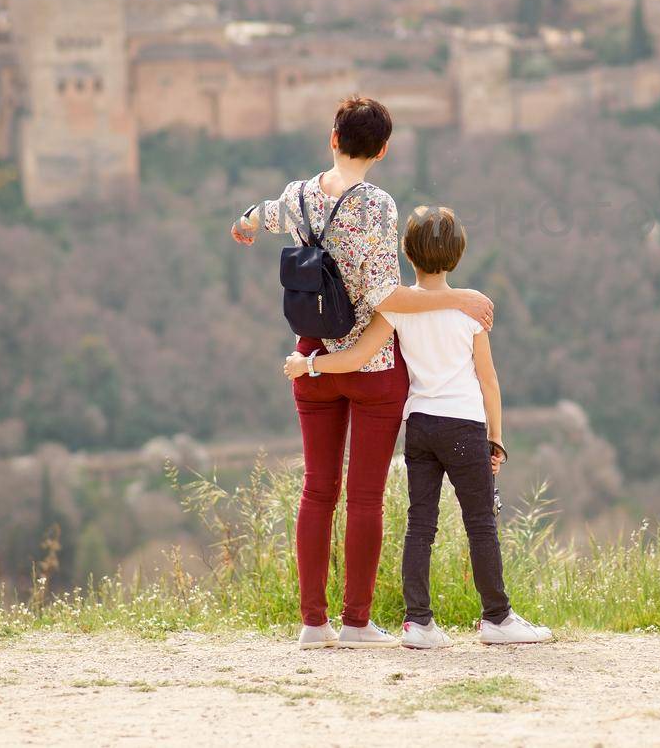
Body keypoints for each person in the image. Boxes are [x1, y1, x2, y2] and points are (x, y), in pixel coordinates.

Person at [231, 96, 494, 650]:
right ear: (383, 149)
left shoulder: (299, 193)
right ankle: (355, 623)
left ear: (333, 137)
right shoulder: (375, 204)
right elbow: (386, 296)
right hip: (371, 363)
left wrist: (245, 223)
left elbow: (263, 214)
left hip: (312, 355)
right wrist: (461, 298)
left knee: (316, 490)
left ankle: (312, 623)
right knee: (365, 497)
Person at [285, 205, 552, 647]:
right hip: (465, 426)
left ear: (407, 255)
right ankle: (497, 619)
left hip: (420, 427)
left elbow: (356, 358)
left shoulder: (396, 309)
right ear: (458, 255)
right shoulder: (471, 308)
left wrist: (309, 365)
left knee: (420, 524)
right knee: (480, 523)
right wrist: (496, 440)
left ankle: (418, 623)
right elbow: (489, 380)